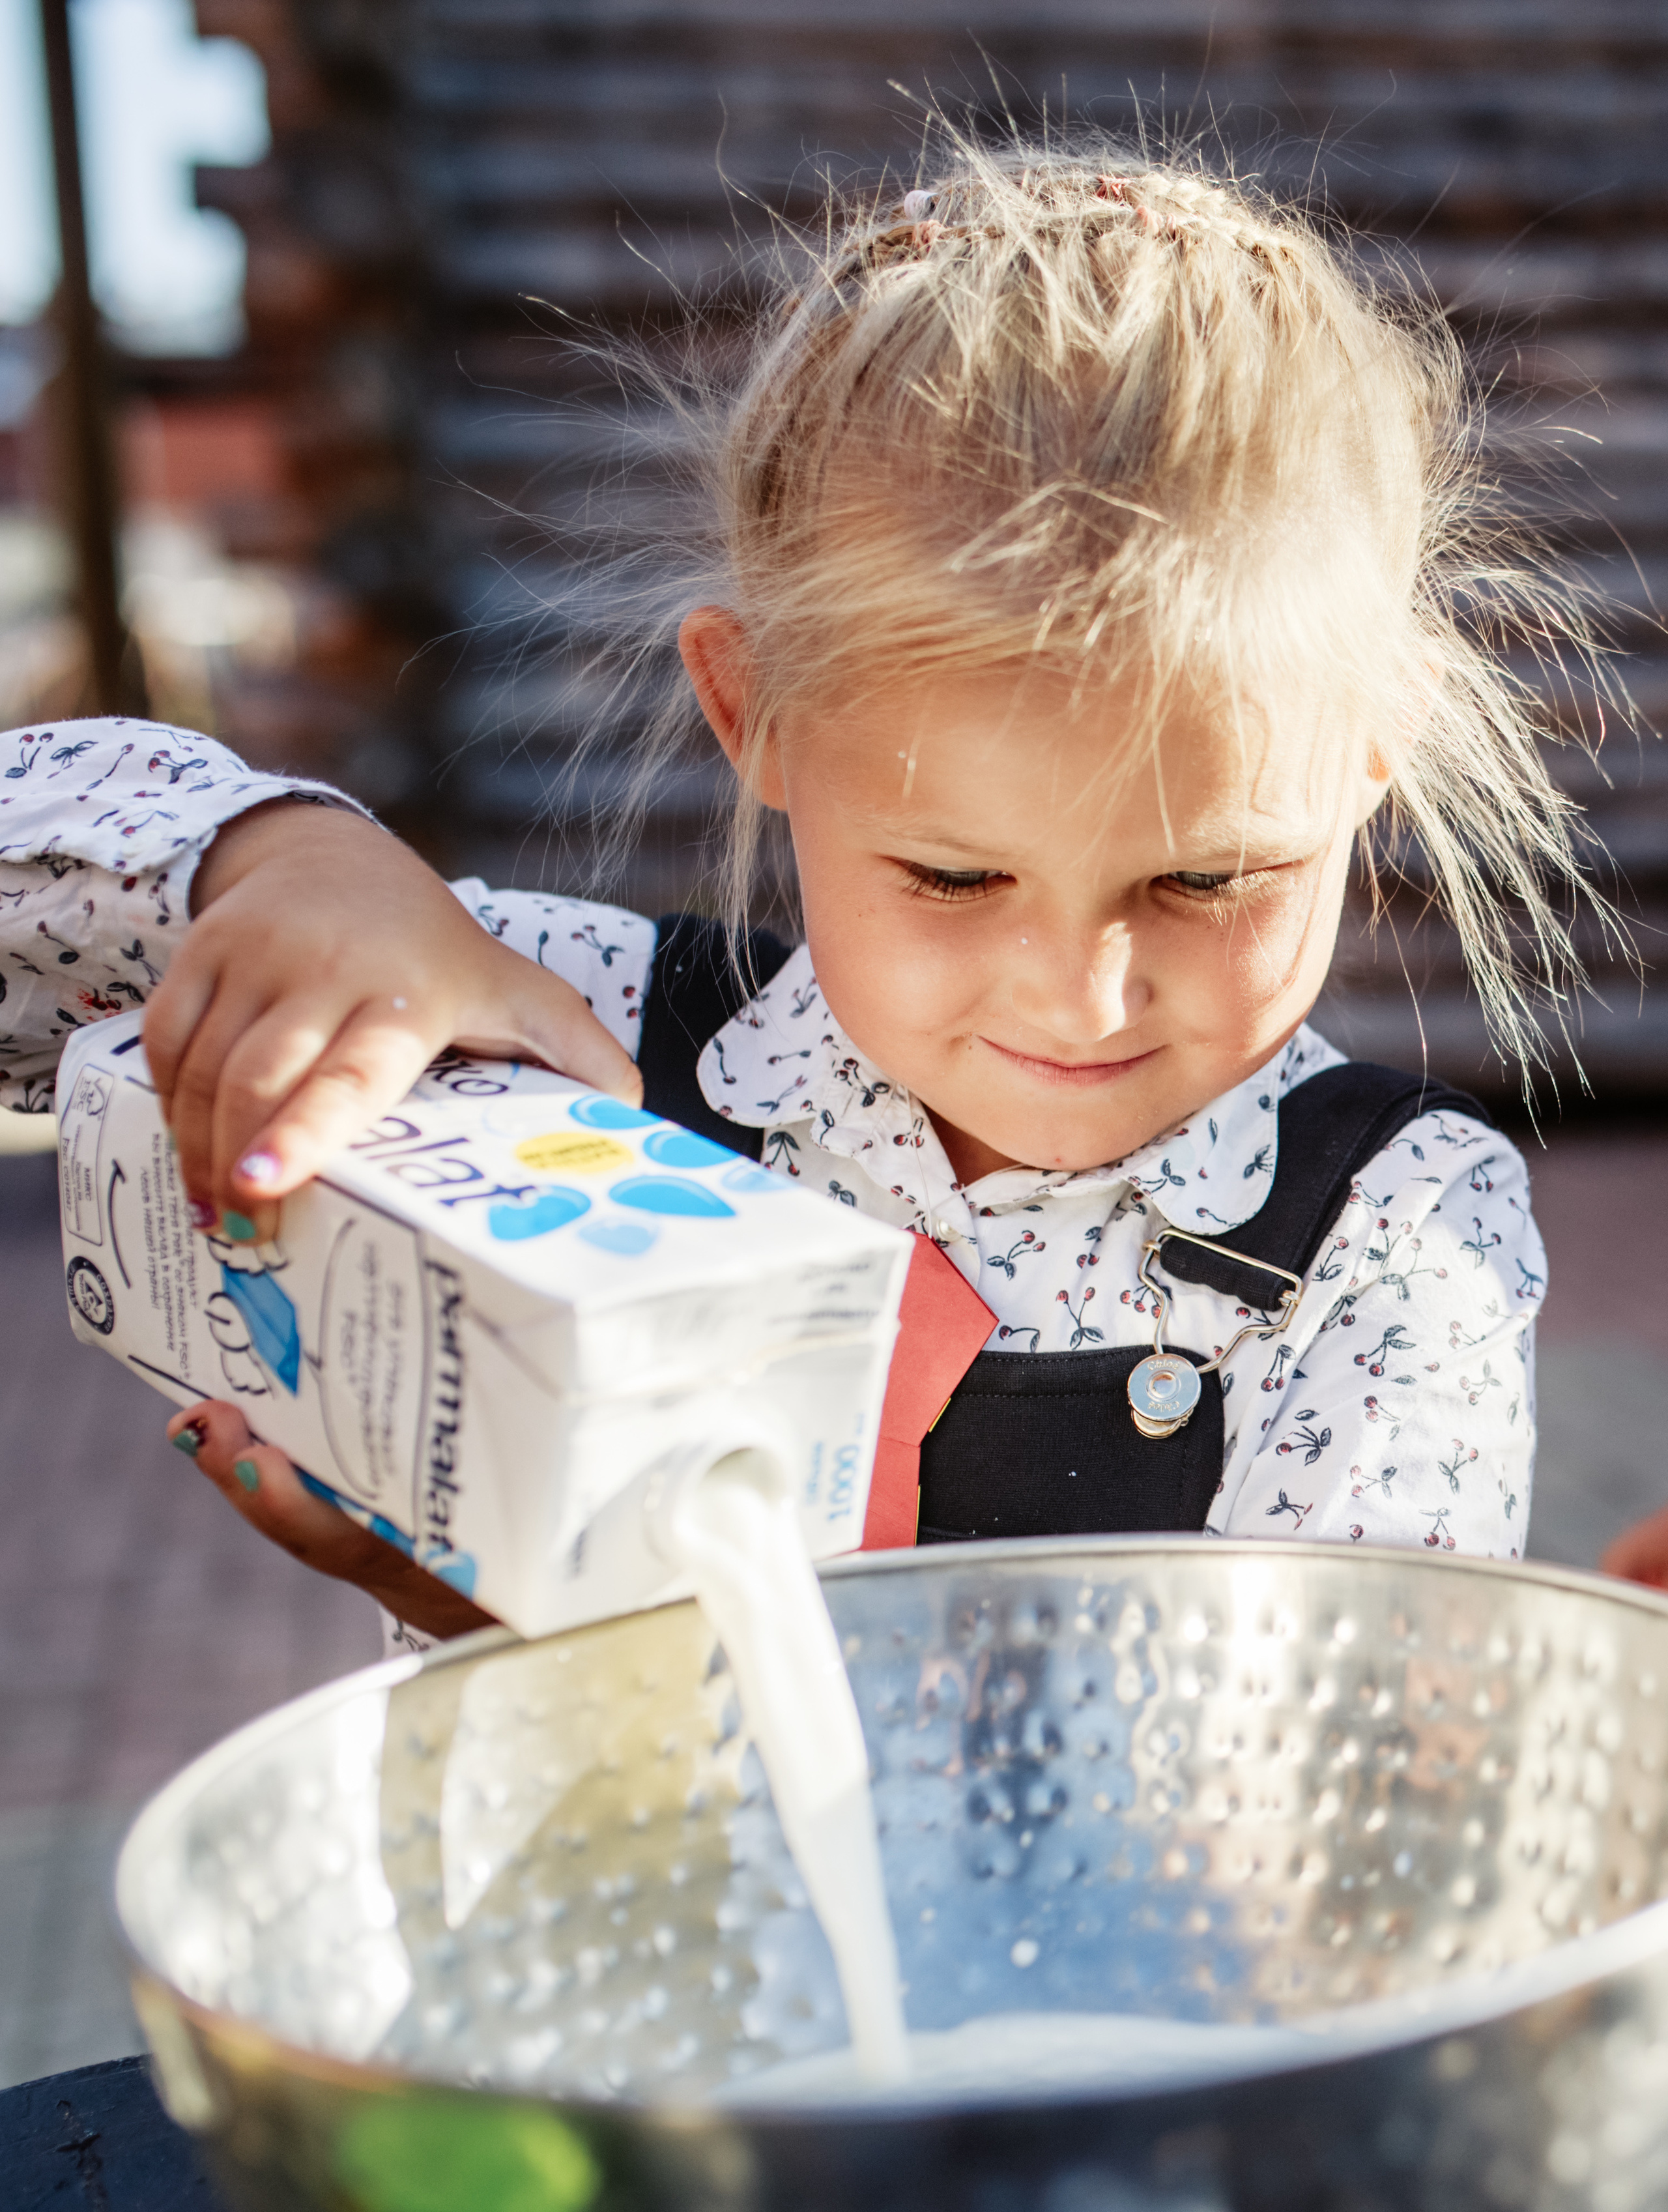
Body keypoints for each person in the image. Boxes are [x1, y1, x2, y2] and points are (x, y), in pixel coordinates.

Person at [3, 138, 1603, 1642]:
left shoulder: (1389, 1232)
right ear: (749, 710)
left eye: (1204, 877)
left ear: (1372, 747)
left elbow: (1308, 1800)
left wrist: (527, 1629)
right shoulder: (572, 1047)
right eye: (954, 873)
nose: (1078, 991)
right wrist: (280, 861)